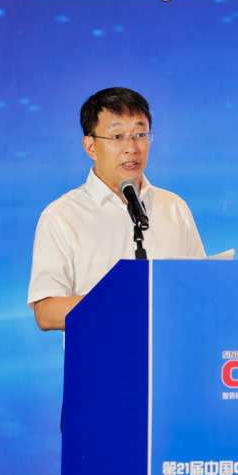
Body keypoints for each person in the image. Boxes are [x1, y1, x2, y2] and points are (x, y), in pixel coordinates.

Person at [28, 87, 206, 331]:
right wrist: (118, 301)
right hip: (100, 354)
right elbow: (46, 313)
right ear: (90, 146)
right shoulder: (62, 216)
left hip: (172, 350)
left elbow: (201, 288)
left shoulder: (174, 207)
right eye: (117, 136)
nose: (132, 147)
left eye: (140, 134)